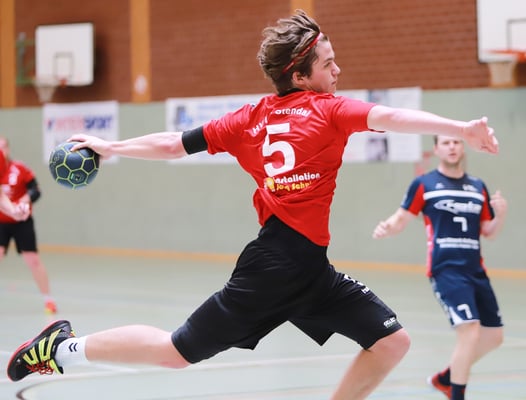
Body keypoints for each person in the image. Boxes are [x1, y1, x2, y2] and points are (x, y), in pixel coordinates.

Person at [7, 10, 499, 399]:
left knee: (392, 341)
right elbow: (391, 117)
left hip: (309, 269)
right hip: (275, 268)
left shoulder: (248, 119)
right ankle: (62, 348)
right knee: (177, 350)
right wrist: (461, 128)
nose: (338, 70)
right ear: (300, 75)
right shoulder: (329, 111)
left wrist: (113, 146)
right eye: (328, 63)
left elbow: (173, 144)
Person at [372, 135, 506, 400]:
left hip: (475, 270)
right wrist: (388, 227)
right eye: (445, 143)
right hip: (446, 269)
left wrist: (500, 214)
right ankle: (457, 394)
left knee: (494, 336)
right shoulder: (425, 184)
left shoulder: (477, 186)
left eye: (456, 142)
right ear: (436, 149)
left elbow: (488, 231)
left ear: (463, 147)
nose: (452, 146)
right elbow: (401, 218)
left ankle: (445, 379)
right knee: (469, 329)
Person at [0, 137, 57, 314]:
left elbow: (34, 190)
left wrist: (16, 209)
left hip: (21, 222)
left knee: (32, 259)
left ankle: (48, 299)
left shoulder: (18, 168)